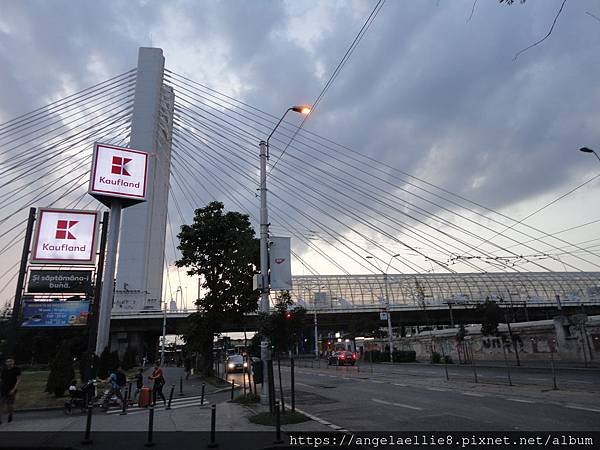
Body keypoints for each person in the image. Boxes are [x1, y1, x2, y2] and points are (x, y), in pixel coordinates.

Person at [0, 358, 21, 424]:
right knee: (1, 404)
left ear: (13, 362)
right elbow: (2, 379)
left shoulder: (16, 369)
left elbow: (18, 380)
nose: (8, 363)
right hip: (3, 389)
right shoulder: (4, 370)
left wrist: (14, 389)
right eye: (7, 362)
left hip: (12, 389)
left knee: (9, 405)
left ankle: (10, 415)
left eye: (10, 361)